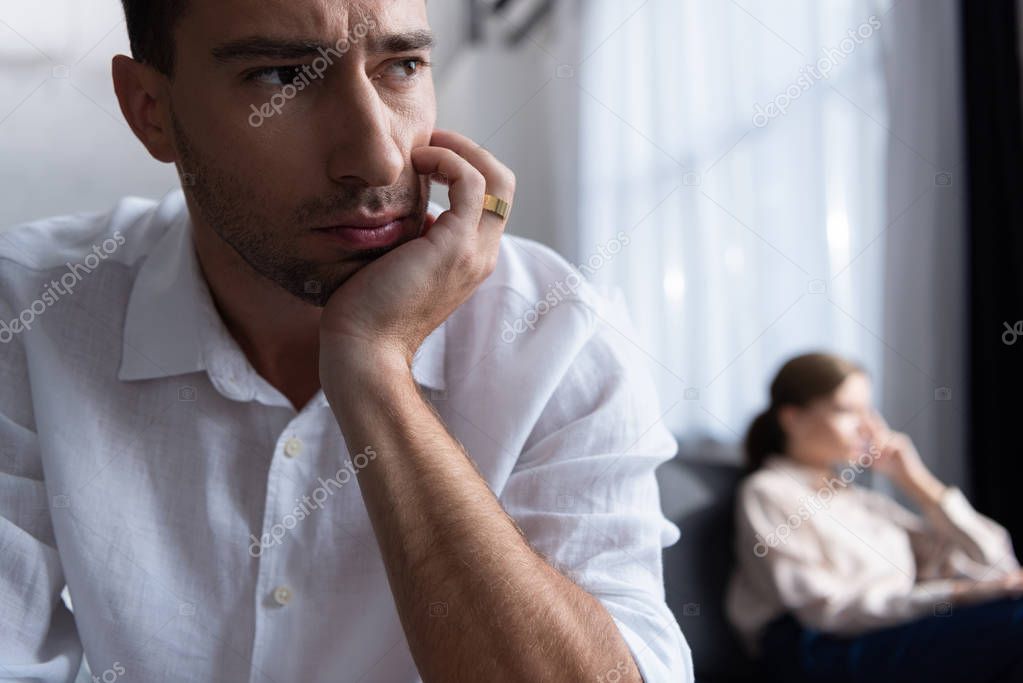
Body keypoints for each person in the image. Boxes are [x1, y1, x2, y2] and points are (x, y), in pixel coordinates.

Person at [0, 1, 693, 681]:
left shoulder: (555, 333)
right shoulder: (29, 315)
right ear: (151, 109)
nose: (378, 158)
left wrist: (375, 372)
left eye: (402, 65)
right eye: (280, 77)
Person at [725, 352, 1023, 683]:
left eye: (869, 410)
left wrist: (917, 483)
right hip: (821, 650)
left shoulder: (861, 501)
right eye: (847, 411)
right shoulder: (769, 492)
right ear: (793, 418)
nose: (868, 426)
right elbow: (825, 611)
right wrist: (957, 594)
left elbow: (996, 562)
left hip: (885, 632)